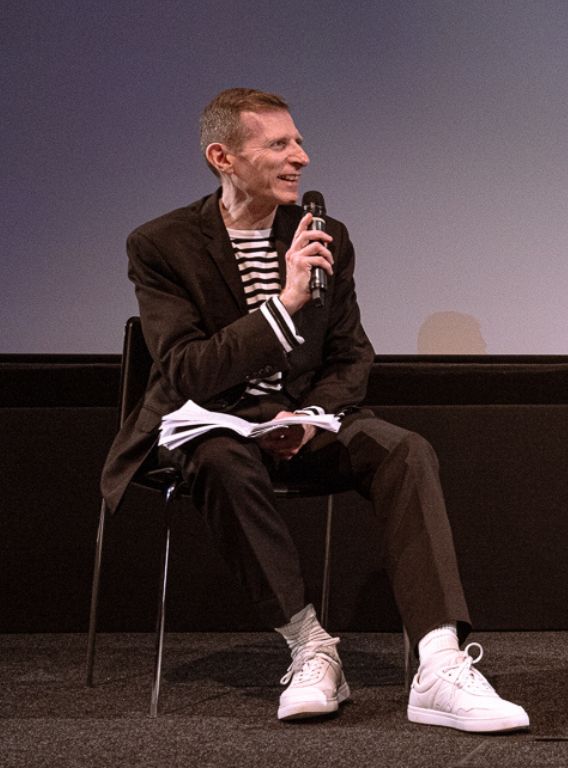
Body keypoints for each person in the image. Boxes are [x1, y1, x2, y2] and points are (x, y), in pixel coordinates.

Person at [99, 88, 529, 732]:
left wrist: (310, 417)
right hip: (210, 419)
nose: (301, 156)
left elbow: (352, 355)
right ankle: (310, 646)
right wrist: (285, 304)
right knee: (219, 458)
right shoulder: (161, 245)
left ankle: (439, 664)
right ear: (223, 157)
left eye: (298, 141)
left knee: (404, 449)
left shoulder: (326, 236)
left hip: (305, 418)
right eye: (279, 144)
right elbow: (187, 370)